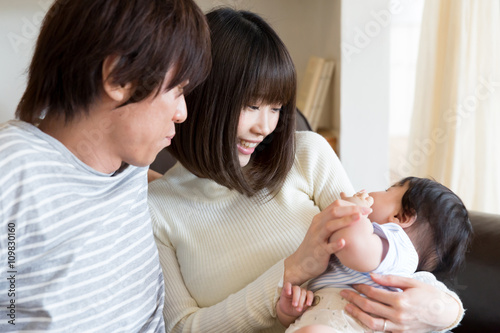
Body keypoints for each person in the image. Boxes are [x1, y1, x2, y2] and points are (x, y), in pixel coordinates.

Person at [147, 7, 465, 333]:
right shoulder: (157, 208)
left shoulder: (306, 155)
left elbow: (388, 252)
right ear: (202, 98)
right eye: (253, 106)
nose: (266, 127)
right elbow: (183, 327)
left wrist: (446, 309)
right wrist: (293, 269)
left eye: (276, 108)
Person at [0, 0, 210, 331]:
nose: (181, 113)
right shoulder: (13, 173)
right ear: (118, 77)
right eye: (178, 90)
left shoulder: (131, 163)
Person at [277, 178, 473, 332]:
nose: (373, 191)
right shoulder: (347, 258)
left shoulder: (398, 245)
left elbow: (351, 243)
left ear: (401, 217)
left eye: (388, 191)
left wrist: (353, 209)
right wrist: (289, 311)